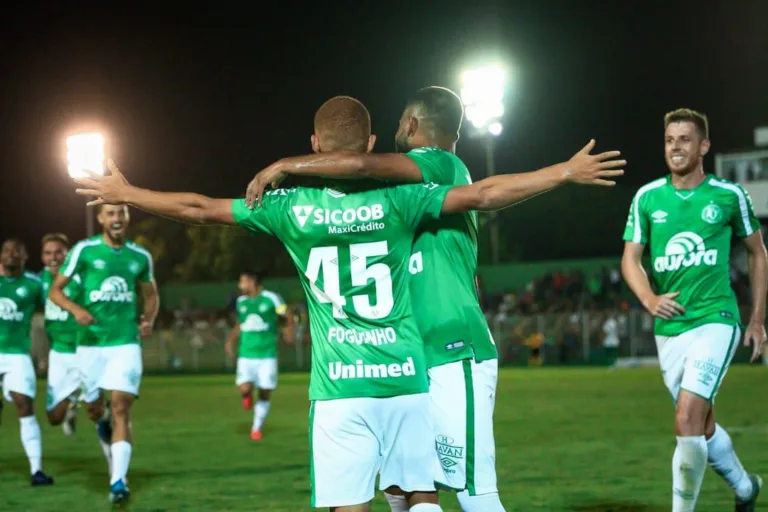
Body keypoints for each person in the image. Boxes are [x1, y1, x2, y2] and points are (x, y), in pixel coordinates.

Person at [72, 95, 623, 512]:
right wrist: (563, 173)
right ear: (370, 144)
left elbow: (198, 208)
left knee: (385, 501)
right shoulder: (402, 200)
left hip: (340, 385)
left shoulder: (289, 209)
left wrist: (130, 194)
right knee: (418, 498)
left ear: (316, 148)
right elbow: (483, 195)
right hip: (408, 376)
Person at [244, 86, 625, 512]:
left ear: (411, 124)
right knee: (403, 490)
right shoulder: (403, 198)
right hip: (413, 360)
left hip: (453, 349)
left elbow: (361, 166)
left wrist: (285, 165)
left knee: (474, 493)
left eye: (398, 125)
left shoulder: (438, 165)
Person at [621, 108, 766, 512]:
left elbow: (758, 252)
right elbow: (630, 258)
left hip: (716, 319)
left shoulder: (727, 195)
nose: (676, 147)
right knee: (701, 426)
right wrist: (650, 300)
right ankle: (745, 488)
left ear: (704, 146)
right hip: (670, 328)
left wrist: (756, 318)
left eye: (685, 139)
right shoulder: (648, 198)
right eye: (669, 140)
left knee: (686, 419)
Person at [48, 205, 159, 504]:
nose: (116, 219)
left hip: (125, 342)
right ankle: (99, 418)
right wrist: (77, 310)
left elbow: (151, 294)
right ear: (101, 219)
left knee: (122, 406)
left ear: (127, 217)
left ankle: (118, 482)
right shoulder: (83, 251)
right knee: (95, 409)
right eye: (110, 214)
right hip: (90, 345)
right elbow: (56, 291)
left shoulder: (140, 257)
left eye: (120, 213)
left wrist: (148, 318)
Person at [0, 238, 55, 485]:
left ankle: (36, 470)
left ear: (25, 257)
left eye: (17, 251)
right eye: (7, 251)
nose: (12, 255)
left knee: (24, 404)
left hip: (17, 353)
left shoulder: (34, 284)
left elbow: (54, 307)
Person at [225, 270, 293, 440]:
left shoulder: (271, 298)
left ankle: (256, 428)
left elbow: (287, 314)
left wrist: (289, 330)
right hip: (246, 354)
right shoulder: (241, 302)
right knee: (245, 387)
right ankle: (246, 395)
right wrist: (230, 340)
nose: (240, 286)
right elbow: (241, 323)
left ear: (252, 282)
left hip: (267, 354)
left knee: (264, 391)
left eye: (243, 282)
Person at [40, 233, 82, 435]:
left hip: (84, 351)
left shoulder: (82, 278)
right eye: (48, 253)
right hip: (58, 355)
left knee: (98, 410)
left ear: (69, 254)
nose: (53, 257)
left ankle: (115, 463)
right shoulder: (40, 281)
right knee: (54, 417)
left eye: (58, 252)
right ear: (42, 256)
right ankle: (73, 399)